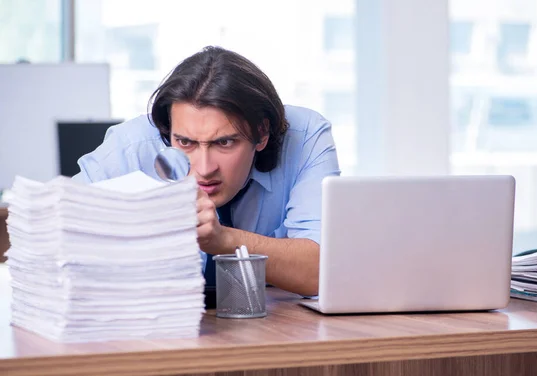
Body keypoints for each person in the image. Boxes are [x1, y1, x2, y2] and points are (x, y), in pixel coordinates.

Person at [73, 46, 341, 296]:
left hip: (271, 331)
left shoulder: (304, 137)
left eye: (224, 142)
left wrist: (225, 240)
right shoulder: (131, 148)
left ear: (262, 133)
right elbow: (52, 238)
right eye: (185, 142)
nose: (203, 169)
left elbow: (323, 271)